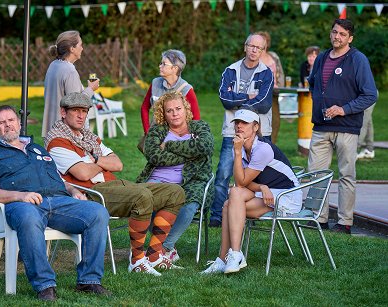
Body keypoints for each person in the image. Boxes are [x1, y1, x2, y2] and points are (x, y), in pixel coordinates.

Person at [0, 105, 110, 301]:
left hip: (59, 202)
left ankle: (89, 280)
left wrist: (73, 190)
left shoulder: (37, 149)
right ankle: (45, 285)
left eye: (11, 120)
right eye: (1, 123)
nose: (7, 125)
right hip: (22, 205)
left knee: (98, 213)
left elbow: (58, 179)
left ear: (19, 124)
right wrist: (20, 196)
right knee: (29, 217)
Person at [44, 92, 186, 276]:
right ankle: (136, 260)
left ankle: (154, 255)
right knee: (141, 197)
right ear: (63, 112)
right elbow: (82, 173)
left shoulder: (89, 137)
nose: (81, 116)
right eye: (76, 111)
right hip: (92, 194)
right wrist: (101, 161)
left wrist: (93, 160)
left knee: (175, 192)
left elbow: (118, 164)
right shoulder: (57, 142)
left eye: (84, 111)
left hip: (115, 185)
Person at [201, 108, 301, 274]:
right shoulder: (239, 148)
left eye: (245, 123)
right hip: (266, 192)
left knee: (229, 206)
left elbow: (241, 181)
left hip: (286, 195)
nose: (239, 126)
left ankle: (233, 255)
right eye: (237, 123)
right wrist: (262, 186)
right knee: (232, 198)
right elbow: (240, 185)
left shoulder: (262, 149)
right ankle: (225, 258)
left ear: (255, 127)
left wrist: (238, 151)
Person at [307, 19, 377, 234]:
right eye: (335, 32)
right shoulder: (321, 58)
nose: (337, 37)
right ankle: (318, 218)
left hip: (347, 126)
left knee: (346, 175)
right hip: (321, 126)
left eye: (342, 34)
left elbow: (370, 95)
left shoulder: (358, 60)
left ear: (350, 38)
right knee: (316, 174)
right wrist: (320, 102)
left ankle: (345, 222)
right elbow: (313, 83)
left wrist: (343, 109)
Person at [137, 92, 214, 262]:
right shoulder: (158, 130)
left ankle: (164, 246)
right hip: (158, 178)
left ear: (185, 109)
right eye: (169, 110)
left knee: (190, 203)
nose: (175, 113)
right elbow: (155, 156)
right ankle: (163, 249)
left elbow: (206, 145)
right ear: (163, 114)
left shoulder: (199, 127)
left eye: (178, 109)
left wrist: (170, 145)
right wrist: (190, 153)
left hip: (191, 181)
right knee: (143, 200)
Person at [209, 34, 274, 228]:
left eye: (259, 48)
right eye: (251, 46)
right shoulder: (230, 70)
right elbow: (224, 99)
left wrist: (236, 99)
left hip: (258, 133)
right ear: (245, 47)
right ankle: (217, 215)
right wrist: (247, 96)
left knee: (256, 175)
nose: (255, 50)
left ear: (263, 51)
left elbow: (264, 104)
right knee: (223, 173)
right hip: (233, 131)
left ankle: (250, 213)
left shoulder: (266, 73)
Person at [42, 30, 99, 137]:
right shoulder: (69, 71)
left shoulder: (54, 65)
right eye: (80, 45)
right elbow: (77, 103)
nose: (82, 48)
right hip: (65, 132)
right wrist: (91, 88)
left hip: (51, 129)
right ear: (72, 49)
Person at [141, 49, 200, 135]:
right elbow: (144, 108)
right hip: (156, 137)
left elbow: (196, 118)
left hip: (178, 139)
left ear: (175, 68)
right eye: (161, 63)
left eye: (164, 64)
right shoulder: (155, 83)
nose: (160, 66)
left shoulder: (187, 89)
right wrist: (147, 131)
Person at [256, 31, 285, 144]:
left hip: (273, 93)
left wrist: (280, 87)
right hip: (258, 95)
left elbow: (280, 73)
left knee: (275, 121)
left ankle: (271, 146)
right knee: (258, 121)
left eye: (265, 41)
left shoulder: (273, 56)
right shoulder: (254, 56)